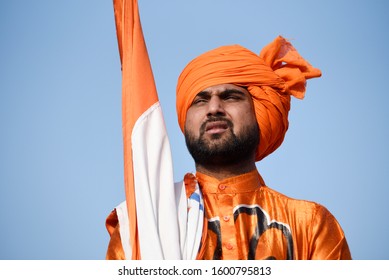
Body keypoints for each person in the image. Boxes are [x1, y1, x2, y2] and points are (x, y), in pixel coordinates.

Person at [106, 0, 351, 260]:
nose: (214, 108)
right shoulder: (143, 226)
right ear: (184, 119)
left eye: (231, 96)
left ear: (259, 111)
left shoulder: (310, 225)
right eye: (200, 100)